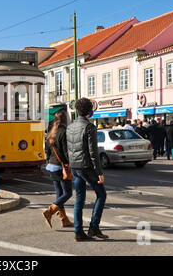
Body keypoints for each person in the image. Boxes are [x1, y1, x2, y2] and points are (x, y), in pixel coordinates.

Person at [67, 98, 107, 242]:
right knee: (101, 194)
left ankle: (78, 232)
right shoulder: (89, 127)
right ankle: (93, 227)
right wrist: (99, 172)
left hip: (75, 167)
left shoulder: (70, 126)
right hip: (86, 167)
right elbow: (93, 152)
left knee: (79, 199)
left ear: (77, 110)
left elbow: (69, 149)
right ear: (90, 111)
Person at [43, 110, 73, 229]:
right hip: (61, 166)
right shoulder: (65, 131)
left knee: (60, 194)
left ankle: (64, 219)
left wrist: (48, 161)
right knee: (67, 193)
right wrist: (69, 163)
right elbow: (66, 151)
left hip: (51, 166)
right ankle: (49, 211)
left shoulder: (52, 131)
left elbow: (48, 150)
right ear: (65, 119)